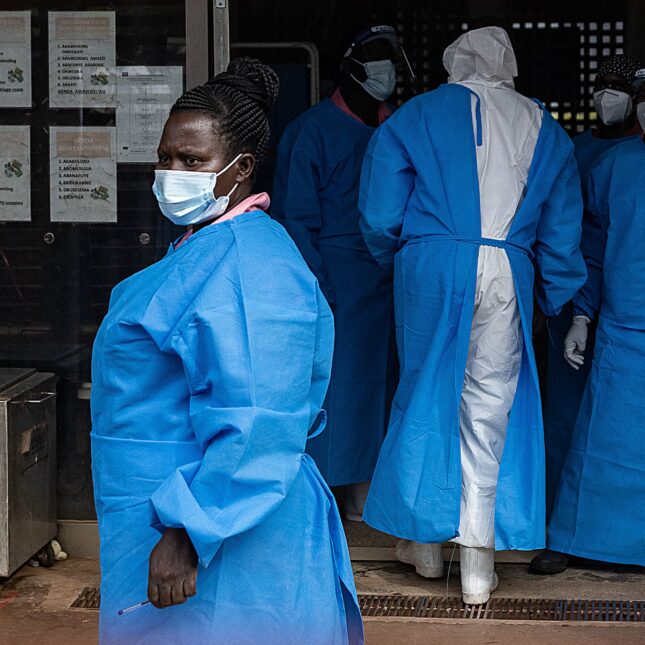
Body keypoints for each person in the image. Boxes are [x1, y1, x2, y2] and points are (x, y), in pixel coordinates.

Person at [91, 58, 363, 645]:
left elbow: (258, 417)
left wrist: (190, 530)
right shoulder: (206, 246)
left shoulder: (251, 266)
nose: (171, 173)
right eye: (165, 157)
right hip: (169, 511)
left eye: (192, 162)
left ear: (239, 169)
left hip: (217, 525)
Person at [358, 26, 586, 605]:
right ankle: (478, 565)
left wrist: (405, 258)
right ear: (507, 64)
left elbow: (381, 213)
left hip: (433, 263)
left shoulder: (414, 116)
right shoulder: (547, 128)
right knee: (489, 410)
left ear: (455, 63)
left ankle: (428, 550)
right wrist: (560, 294)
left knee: (426, 396)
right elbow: (562, 231)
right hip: (509, 266)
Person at [272, 25, 408, 520]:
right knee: (339, 388)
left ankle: (371, 490)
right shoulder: (311, 132)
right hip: (337, 284)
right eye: (374, 57)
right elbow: (296, 220)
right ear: (349, 66)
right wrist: (319, 287)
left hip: (391, 277)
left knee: (387, 388)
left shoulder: (397, 127)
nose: (385, 68)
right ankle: (325, 496)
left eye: (391, 58)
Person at [531, 55, 643, 575]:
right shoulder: (616, 166)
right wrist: (580, 313)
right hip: (621, 323)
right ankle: (575, 536)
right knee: (603, 436)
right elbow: (591, 250)